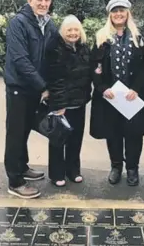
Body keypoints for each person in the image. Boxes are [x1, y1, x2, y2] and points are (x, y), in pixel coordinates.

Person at [89, 0, 144, 186]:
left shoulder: (139, 36)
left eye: (122, 10)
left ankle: (132, 168)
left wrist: (136, 88)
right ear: (109, 14)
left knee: (134, 133)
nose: (118, 14)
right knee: (113, 133)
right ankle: (116, 166)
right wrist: (102, 88)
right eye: (115, 11)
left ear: (128, 13)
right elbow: (94, 65)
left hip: (132, 96)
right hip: (110, 96)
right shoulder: (101, 37)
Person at [3, 0, 58, 199]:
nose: (43, 4)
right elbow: (20, 59)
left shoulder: (49, 24)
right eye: (39, 0)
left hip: (36, 88)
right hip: (19, 87)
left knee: (25, 129)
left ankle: (22, 166)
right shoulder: (19, 23)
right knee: (16, 133)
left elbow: (52, 55)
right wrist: (43, 86)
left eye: (47, 0)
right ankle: (15, 181)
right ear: (30, 0)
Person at [44, 15, 92, 187]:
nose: (73, 33)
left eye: (76, 29)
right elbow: (55, 80)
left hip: (79, 102)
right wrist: (59, 104)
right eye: (69, 30)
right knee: (58, 138)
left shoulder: (84, 48)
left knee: (75, 139)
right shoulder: (55, 49)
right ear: (63, 32)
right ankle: (57, 173)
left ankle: (73, 170)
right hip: (61, 104)